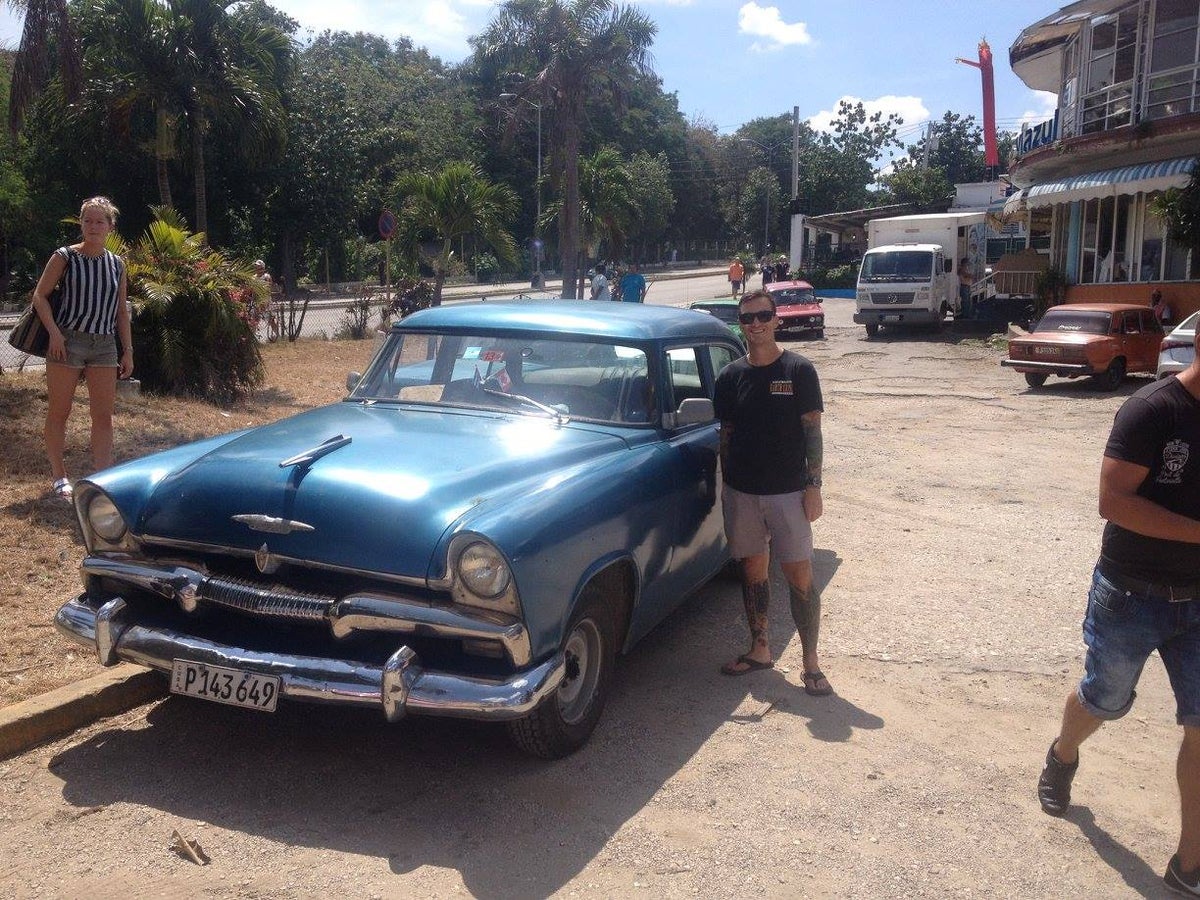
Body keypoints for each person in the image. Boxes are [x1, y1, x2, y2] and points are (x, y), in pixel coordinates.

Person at [1036, 322, 1200, 894]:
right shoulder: (1153, 410)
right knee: (1105, 700)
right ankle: (1062, 753)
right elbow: (1114, 502)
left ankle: (1189, 865)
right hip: (1133, 593)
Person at [712, 289, 832, 696]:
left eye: (763, 316)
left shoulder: (799, 370)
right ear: (740, 324)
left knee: (799, 577)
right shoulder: (730, 377)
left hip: (788, 494)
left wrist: (813, 487)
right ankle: (760, 649)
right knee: (753, 573)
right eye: (747, 319)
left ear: (776, 320)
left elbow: (812, 432)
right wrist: (726, 489)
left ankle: (811, 663)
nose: (756, 324)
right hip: (743, 494)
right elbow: (726, 436)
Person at [31, 196, 133, 501]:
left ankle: (103, 479)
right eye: (87, 220)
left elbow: (120, 312)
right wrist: (54, 334)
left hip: (104, 345)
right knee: (59, 412)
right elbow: (39, 297)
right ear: (81, 223)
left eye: (99, 221)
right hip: (68, 341)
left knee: (103, 417)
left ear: (110, 226)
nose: (93, 226)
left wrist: (127, 350)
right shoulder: (64, 257)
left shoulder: (117, 264)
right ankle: (59, 476)